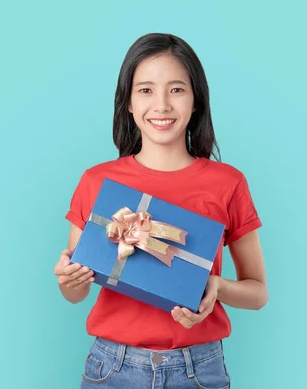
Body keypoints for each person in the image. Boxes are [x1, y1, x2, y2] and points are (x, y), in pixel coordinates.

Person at [54, 33, 268, 389]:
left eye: (177, 90)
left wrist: (214, 285)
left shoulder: (227, 183)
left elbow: (258, 293)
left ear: (196, 100)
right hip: (111, 368)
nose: (162, 105)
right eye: (146, 90)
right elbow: (76, 291)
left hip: (199, 369)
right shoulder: (97, 181)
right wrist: (67, 280)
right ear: (128, 103)